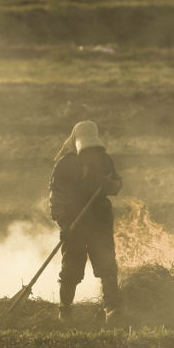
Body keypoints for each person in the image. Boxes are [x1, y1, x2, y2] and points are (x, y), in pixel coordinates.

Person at [48, 120, 123, 324]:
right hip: (75, 223)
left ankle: (111, 309)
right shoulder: (65, 164)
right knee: (72, 268)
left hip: (100, 221)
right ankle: (65, 310)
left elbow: (117, 185)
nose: (91, 153)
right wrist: (63, 223)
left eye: (93, 149)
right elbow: (56, 197)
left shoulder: (105, 160)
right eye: (87, 149)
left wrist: (110, 185)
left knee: (107, 264)